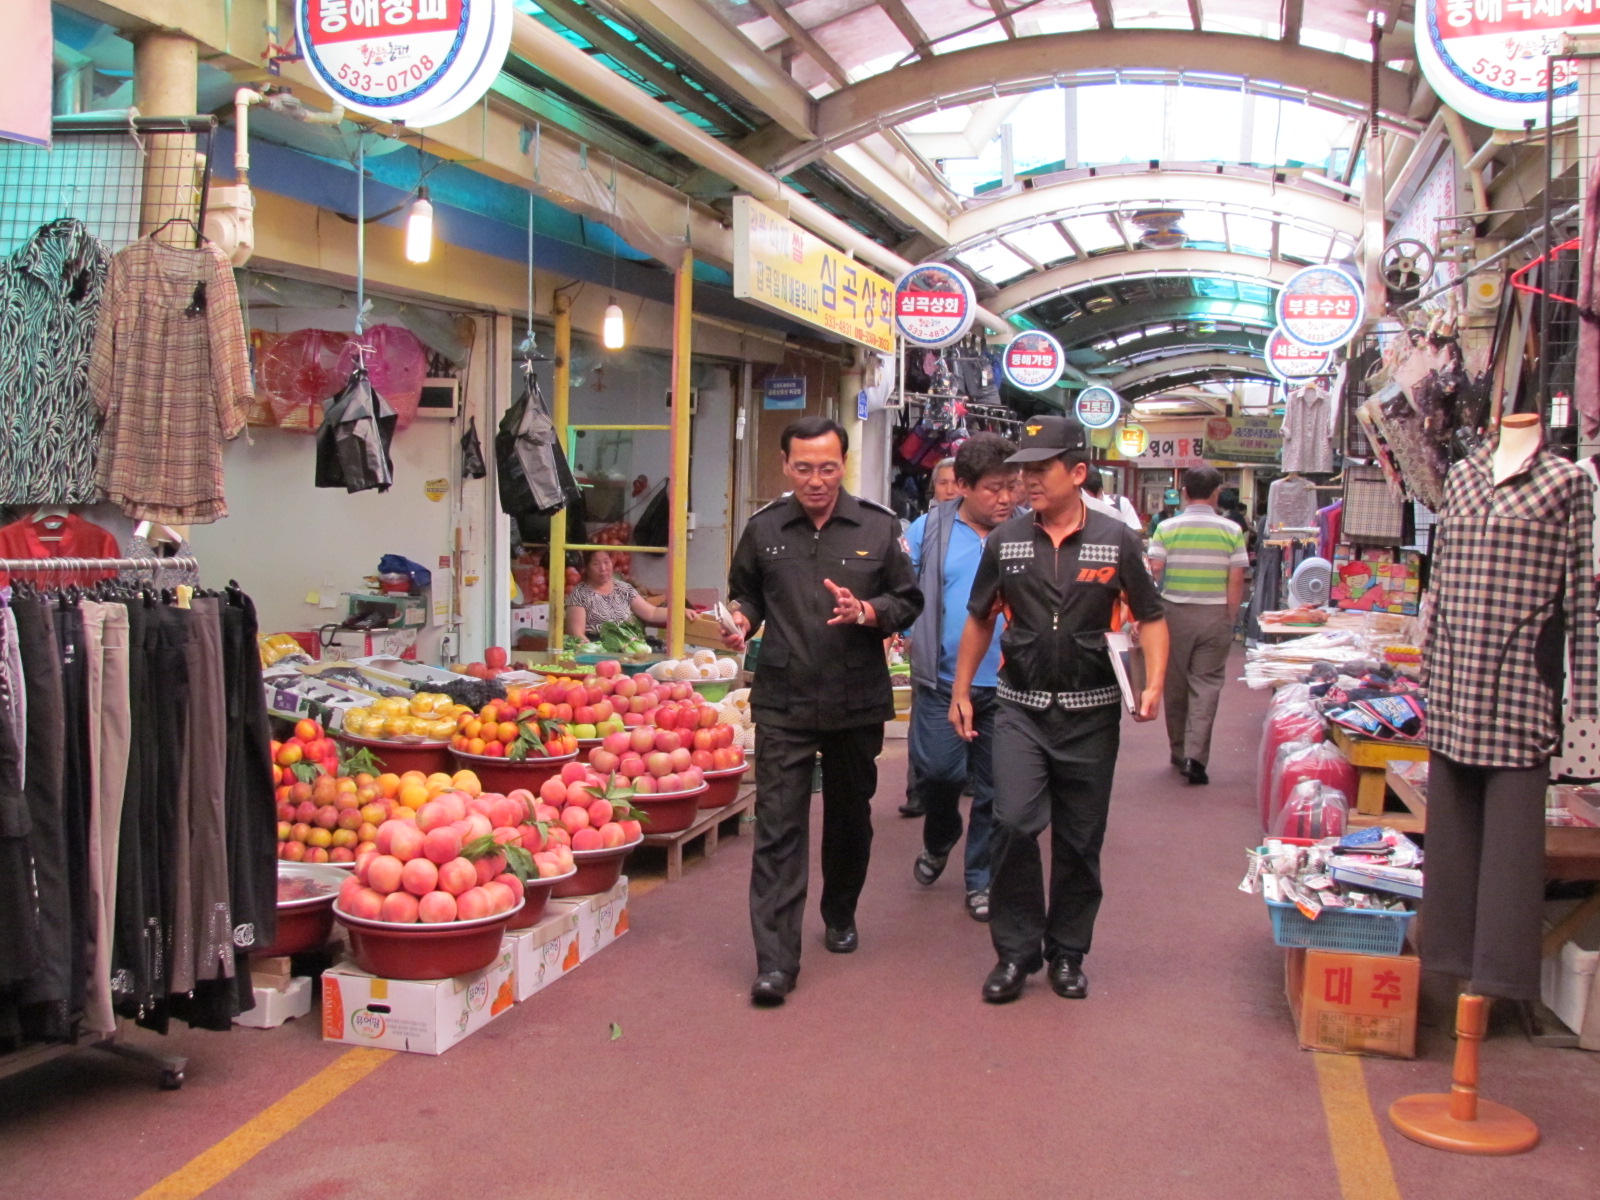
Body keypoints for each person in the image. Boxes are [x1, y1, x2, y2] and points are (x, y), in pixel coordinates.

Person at [951, 416, 1168, 1004]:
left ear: (1076, 472)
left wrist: (1153, 685)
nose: (1027, 481)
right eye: (1023, 470)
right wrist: (961, 691)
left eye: (1040, 469)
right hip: (1019, 711)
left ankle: (1068, 953)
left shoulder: (1116, 540)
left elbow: (1150, 617)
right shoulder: (1006, 541)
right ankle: (1015, 953)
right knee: (1013, 823)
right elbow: (980, 617)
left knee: (1080, 839)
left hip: (1091, 715)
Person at [723, 416, 923, 1007]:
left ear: (844, 465)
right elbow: (747, 592)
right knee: (778, 827)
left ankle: (840, 910)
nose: (816, 480)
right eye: (804, 468)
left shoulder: (878, 527)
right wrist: (740, 620)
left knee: (848, 817)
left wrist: (867, 612)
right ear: (786, 465)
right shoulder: (764, 529)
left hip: (854, 697)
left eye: (828, 467)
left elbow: (907, 600)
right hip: (783, 696)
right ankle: (775, 962)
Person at [904, 434, 1018, 923]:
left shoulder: (1027, 531)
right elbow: (903, 588)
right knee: (938, 773)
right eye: (994, 488)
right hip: (942, 680)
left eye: (1012, 486)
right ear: (964, 486)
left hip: (1008, 686)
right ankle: (941, 833)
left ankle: (980, 879)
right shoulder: (929, 529)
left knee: (994, 789)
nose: (1005, 498)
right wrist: (901, 631)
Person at [1148, 465, 1248, 786]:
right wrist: (1230, 616)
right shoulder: (1231, 530)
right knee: (1206, 685)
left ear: (1185, 493)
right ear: (1216, 493)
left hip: (1173, 614)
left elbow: (1155, 570)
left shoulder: (1166, 528)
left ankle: (1179, 752)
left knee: (1175, 685)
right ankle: (1196, 756)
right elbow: (1236, 579)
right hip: (1215, 614)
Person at [564, 549, 674, 640]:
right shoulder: (580, 594)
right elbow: (577, 634)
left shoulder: (623, 588)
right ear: (587, 568)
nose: (603, 568)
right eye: (596, 564)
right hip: (599, 649)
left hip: (629, 647)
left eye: (607, 562)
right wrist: (594, 651)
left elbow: (652, 613)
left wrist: (677, 612)